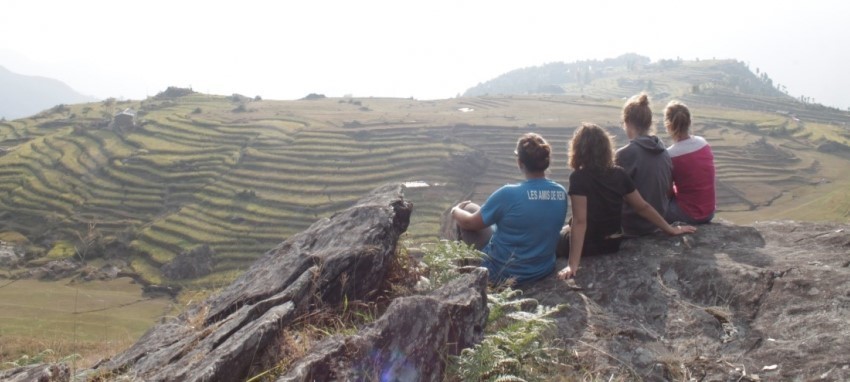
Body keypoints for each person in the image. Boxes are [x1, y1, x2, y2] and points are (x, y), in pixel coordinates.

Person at [557, 123, 696, 280]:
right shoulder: (619, 174)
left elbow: (580, 221)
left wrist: (572, 264)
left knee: (556, 236)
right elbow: (642, 206)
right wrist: (669, 229)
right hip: (613, 244)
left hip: (590, 245)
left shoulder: (578, 178)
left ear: (578, 150)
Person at [452, 133, 567, 284]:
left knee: (468, 208)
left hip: (502, 272)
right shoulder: (561, 192)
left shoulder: (508, 194)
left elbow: (469, 223)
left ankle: (466, 279)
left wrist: (455, 211)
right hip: (542, 269)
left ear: (520, 162)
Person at [615, 93, 673, 236]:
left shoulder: (625, 154)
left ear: (627, 122)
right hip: (658, 222)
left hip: (633, 226)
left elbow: (612, 195)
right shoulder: (664, 151)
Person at [663, 101, 716, 224]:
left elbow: (667, 192)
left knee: (649, 204)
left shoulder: (670, 155)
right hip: (709, 212)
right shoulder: (703, 143)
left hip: (688, 215)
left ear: (668, 125)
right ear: (689, 122)